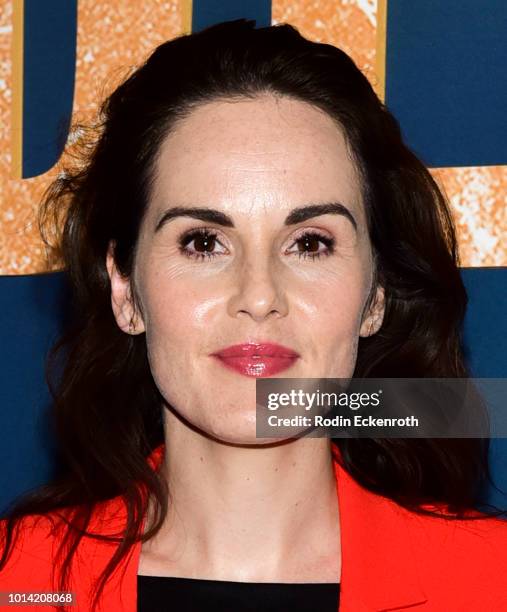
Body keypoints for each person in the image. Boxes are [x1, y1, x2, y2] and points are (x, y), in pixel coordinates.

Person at [1, 18, 506, 612]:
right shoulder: (19, 579)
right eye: (203, 242)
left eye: (310, 243)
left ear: (375, 295)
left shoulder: (489, 580)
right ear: (124, 289)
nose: (260, 294)